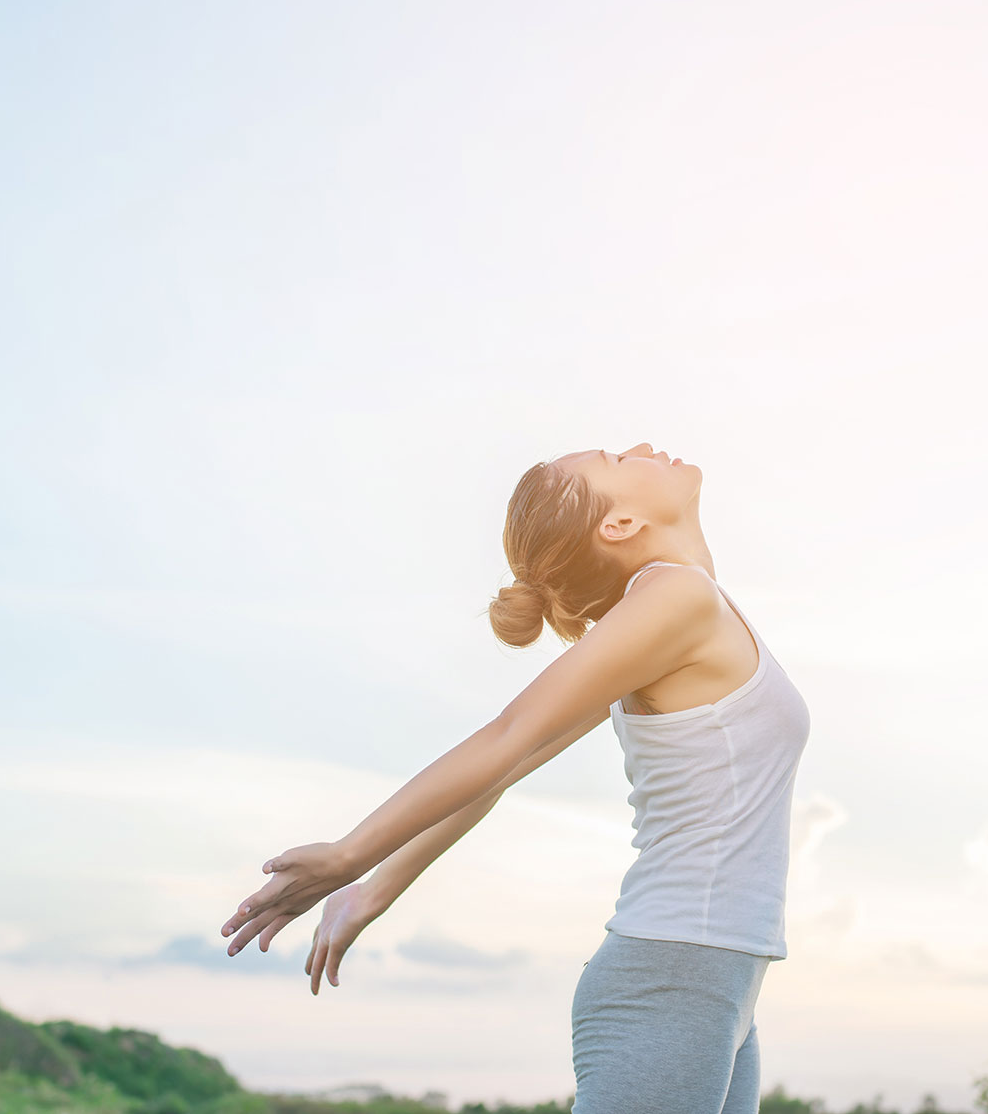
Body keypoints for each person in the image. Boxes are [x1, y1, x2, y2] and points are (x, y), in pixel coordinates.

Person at [219, 442, 811, 1114]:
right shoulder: (678, 598)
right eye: (617, 459)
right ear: (617, 526)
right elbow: (509, 738)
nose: (642, 447)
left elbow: (506, 769)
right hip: (671, 980)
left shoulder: (673, 616)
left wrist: (373, 889)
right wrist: (353, 855)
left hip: (718, 983)